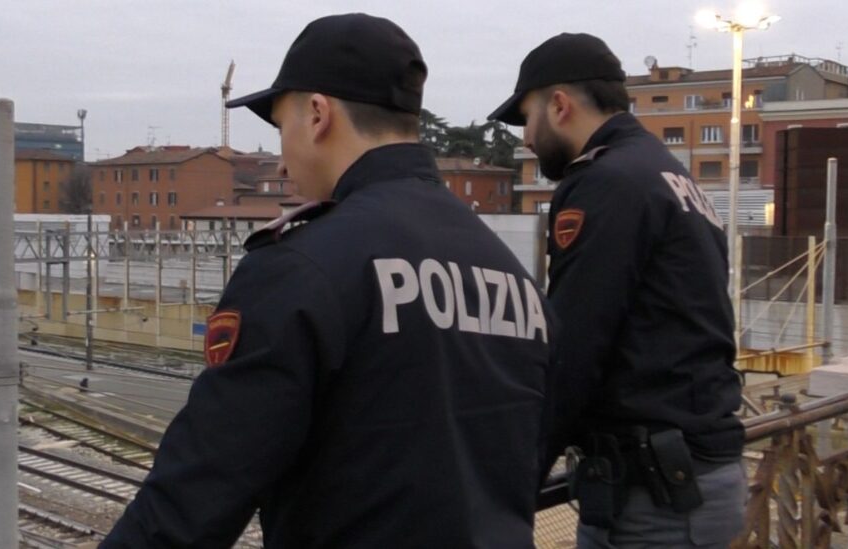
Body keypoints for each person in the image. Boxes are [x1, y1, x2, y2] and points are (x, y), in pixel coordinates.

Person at [103, 13, 554, 548]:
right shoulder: (509, 274)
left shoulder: (300, 269)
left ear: (317, 114)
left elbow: (195, 494)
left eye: (280, 125)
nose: (284, 156)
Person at [488, 33, 745, 548]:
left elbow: (574, 346)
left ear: (559, 105)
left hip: (654, 498)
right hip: (698, 475)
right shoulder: (672, 176)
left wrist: (506, 485)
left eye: (527, 118)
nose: (527, 140)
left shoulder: (605, 182)